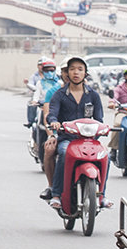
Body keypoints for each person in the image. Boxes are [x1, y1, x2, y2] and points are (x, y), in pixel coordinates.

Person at [41, 55, 105, 209]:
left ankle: (102, 195)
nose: (76, 72)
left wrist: (103, 129)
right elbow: (52, 113)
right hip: (67, 139)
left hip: (90, 140)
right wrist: (54, 122)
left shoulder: (94, 96)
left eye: (80, 69)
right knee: (63, 152)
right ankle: (56, 194)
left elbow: (99, 118)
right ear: (66, 74)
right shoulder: (59, 95)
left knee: (104, 154)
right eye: (72, 69)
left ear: (85, 73)